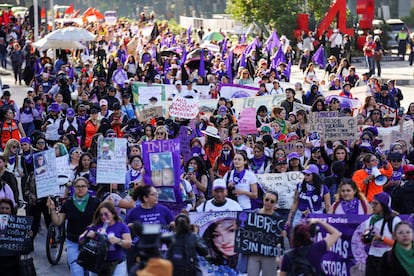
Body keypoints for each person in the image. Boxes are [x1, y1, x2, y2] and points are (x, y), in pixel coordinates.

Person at [47, 177, 101, 276]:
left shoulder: (95, 202)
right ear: (74, 188)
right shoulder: (68, 203)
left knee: (92, 272)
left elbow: (102, 220)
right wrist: (53, 209)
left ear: (87, 187)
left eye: (83, 186)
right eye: (77, 186)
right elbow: (58, 222)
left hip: (91, 242)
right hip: (73, 241)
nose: (80, 189)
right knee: (77, 271)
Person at [79, 201, 131, 276]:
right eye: (101, 215)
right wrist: (88, 235)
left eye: (106, 214)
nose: (103, 217)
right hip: (97, 263)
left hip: (116, 263)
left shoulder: (121, 226)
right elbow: (80, 239)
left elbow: (129, 243)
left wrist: (118, 241)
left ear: (113, 214)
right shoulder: (96, 226)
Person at [247, 191, 287, 276]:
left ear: (275, 204)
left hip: (269, 254)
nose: (269, 203)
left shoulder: (278, 219)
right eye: (267, 200)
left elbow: (281, 242)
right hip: (254, 252)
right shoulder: (253, 214)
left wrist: (283, 236)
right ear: (263, 199)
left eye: (272, 201)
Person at [362, 192, 401, 276]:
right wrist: (365, 238)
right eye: (372, 203)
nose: (373, 206)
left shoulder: (394, 220)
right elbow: (365, 242)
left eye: (376, 204)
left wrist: (382, 239)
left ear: (384, 205)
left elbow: (400, 245)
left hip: (388, 258)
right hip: (372, 257)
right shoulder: (371, 220)